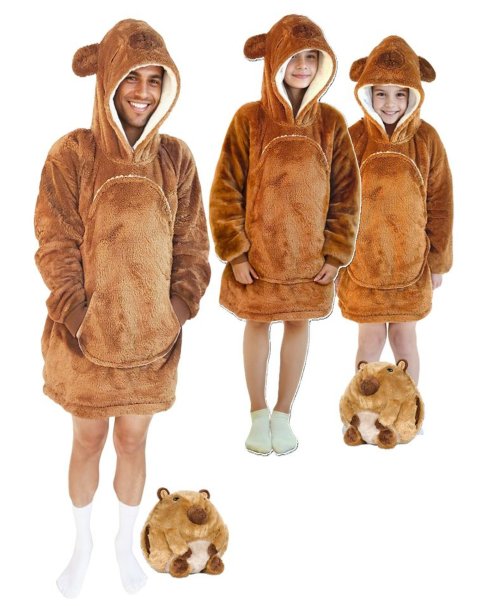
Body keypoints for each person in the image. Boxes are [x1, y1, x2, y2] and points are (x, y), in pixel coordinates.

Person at [34, 19, 210, 597]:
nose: (143, 91)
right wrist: (76, 315)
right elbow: (55, 242)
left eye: (155, 80)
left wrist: (177, 309)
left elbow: (192, 245)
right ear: (107, 79)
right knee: (87, 441)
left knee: (133, 442)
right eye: (132, 77)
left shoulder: (176, 159)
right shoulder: (73, 154)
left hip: (150, 343)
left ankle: (123, 542)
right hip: (84, 342)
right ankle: (82, 543)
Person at [210, 15, 360, 456]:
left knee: (298, 322)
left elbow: (346, 193)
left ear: (322, 64)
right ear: (274, 60)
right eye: (294, 57)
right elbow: (226, 187)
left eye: (311, 57)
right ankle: (257, 412)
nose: (302, 66)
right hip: (257, 258)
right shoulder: (249, 119)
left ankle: (283, 412)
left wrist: (335, 253)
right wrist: (235, 251)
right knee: (257, 322)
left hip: (309, 259)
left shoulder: (331, 123)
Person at [336, 36, 453, 383]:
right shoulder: (354, 138)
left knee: (404, 339)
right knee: (369, 340)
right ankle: (363, 405)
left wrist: (437, 261)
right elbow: (337, 201)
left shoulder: (427, 139)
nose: (390, 104)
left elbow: (441, 202)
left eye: (400, 94)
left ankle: (407, 404)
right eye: (381, 93)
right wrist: (335, 257)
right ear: (367, 93)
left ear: (413, 94)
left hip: (410, 264)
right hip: (364, 263)